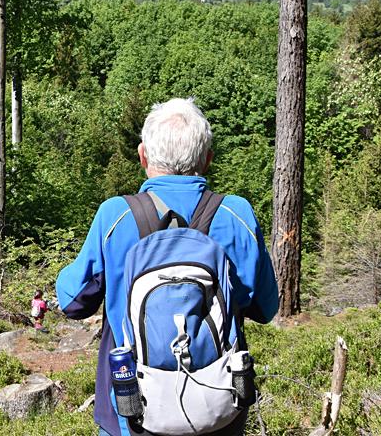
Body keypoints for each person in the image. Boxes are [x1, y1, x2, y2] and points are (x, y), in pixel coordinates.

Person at [56, 98, 279, 436]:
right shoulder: (237, 214)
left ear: (143, 155)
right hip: (218, 409)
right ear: (207, 159)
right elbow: (265, 307)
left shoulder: (115, 216)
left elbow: (72, 302)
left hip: (132, 411)